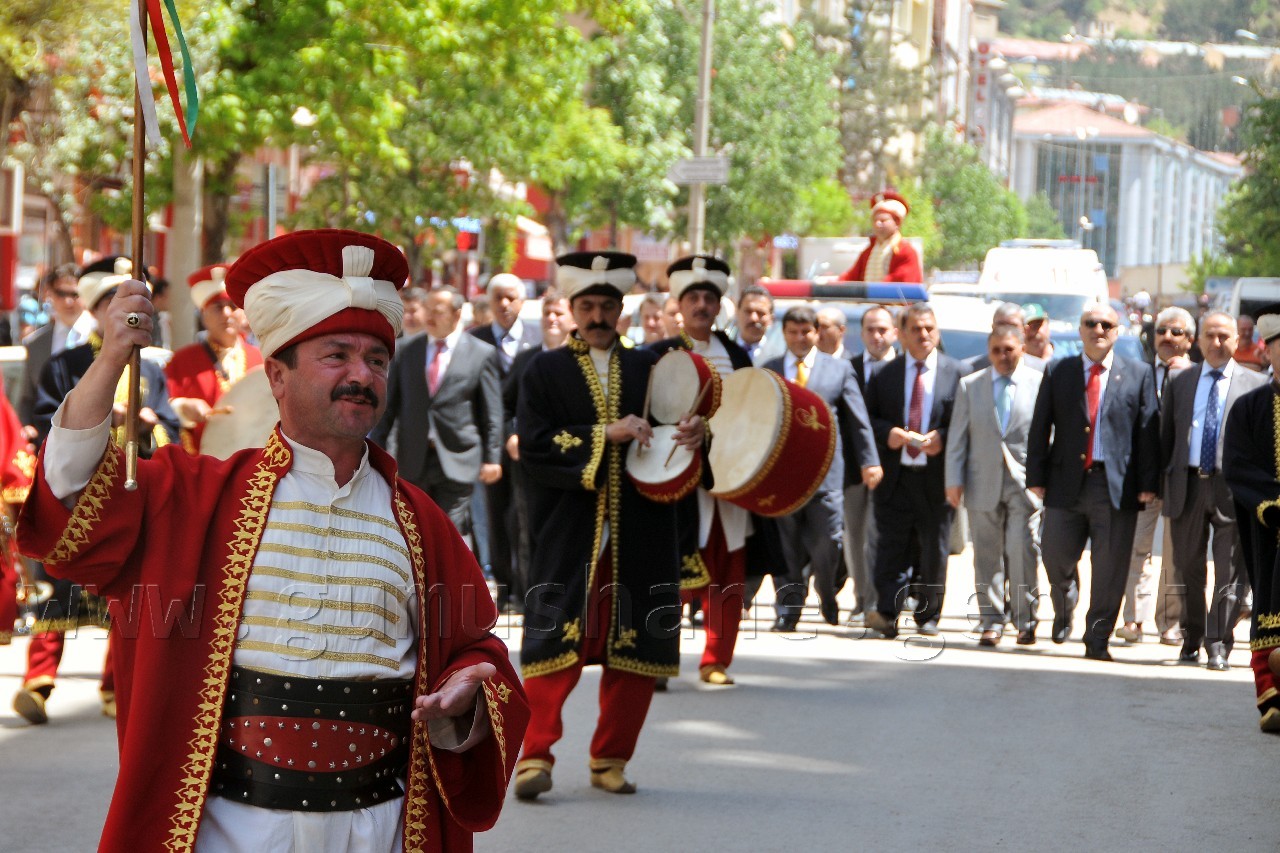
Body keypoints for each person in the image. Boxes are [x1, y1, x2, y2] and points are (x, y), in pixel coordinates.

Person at [16, 229, 528, 849]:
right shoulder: (194, 494)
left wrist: (469, 699)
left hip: (380, 826)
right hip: (235, 828)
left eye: (376, 360)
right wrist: (111, 358)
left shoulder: (421, 520)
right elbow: (67, 495)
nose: (360, 375)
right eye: (336, 355)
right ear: (277, 376)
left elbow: (479, 651)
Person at [514, 251, 701, 799]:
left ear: (622, 309)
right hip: (571, 530)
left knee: (638, 644)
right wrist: (604, 435)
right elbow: (535, 445)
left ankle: (610, 758)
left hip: (642, 528)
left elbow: (680, 432)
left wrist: (696, 438)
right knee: (554, 643)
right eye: (587, 306)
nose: (597, 315)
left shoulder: (651, 367)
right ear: (571, 308)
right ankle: (534, 757)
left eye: (607, 306)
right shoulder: (543, 370)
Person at [1026, 304, 1160, 661]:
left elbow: (1148, 431)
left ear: (1117, 331)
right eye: (1091, 323)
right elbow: (1041, 426)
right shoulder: (1060, 370)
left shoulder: (1139, 373)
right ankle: (1064, 604)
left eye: (1107, 324)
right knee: (1055, 555)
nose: (1098, 329)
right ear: (1080, 330)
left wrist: (1149, 482)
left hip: (1116, 486)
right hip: (1065, 483)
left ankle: (1097, 639)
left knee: (1110, 569)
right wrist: (1035, 477)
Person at [647, 255, 757, 683]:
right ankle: (658, 658)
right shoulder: (657, 354)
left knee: (727, 571)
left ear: (718, 304)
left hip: (728, 478)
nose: (700, 305)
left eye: (708, 297)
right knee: (668, 571)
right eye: (692, 297)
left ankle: (716, 659)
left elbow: (753, 413)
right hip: (673, 478)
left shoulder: (738, 355)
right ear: (680, 303)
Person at [763, 306, 881, 630]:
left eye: (806, 332)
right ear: (784, 334)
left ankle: (827, 591)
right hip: (783, 476)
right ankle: (788, 609)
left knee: (828, 541)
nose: (800, 338)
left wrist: (870, 460)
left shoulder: (839, 370)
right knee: (786, 546)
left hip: (826, 475)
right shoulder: (770, 370)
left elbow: (858, 422)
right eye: (793, 332)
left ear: (817, 332)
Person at [1160, 311, 1266, 670]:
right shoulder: (1181, 380)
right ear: (1198, 339)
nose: (1216, 343)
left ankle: (1218, 642)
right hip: (1187, 484)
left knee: (1231, 572)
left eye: (1224, 336)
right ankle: (1191, 635)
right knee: (1187, 566)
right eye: (1210, 336)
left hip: (1232, 491)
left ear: (1237, 341)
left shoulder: (1254, 385)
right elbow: (1166, 438)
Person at [371, 286, 503, 547]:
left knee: (446, 531)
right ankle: (419, 587)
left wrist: (492, 458)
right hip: (413, 458)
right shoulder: (406, 350)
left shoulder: (481, 353)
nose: (429, 316)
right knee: (414, 530)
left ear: (456, 314)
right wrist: (377, 451)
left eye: (438, 311)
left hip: (459, 457)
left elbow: (491, 411)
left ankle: (443, 587)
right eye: (427, 310)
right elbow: (388, 408)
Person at [863, 302, 963, 637]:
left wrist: (943, 438)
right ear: (902, 335)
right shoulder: (883, 374)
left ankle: (928, 615)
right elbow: (867, 420)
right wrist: (887, 434)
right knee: (891, 546)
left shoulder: (957, 373)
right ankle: (887, 613)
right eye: (916, 329)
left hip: (936, 478)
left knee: (934, 548)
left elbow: (965, 424)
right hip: (896, 475)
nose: (923, 335)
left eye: (929, 329)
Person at [945, 324, 1044, 646]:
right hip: (981, 481)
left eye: (1009, 350)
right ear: (989, 352)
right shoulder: (970, 385)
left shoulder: (1039, 384)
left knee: (1022, 548)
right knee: (986, 555)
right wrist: (953, 480)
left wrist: (1043, 481)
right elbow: (958, 438)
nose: (1003, 356)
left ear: (1022, 349)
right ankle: (991, 620)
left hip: (1024, 483)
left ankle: (1025, 618)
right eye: (997, 351)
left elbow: (1048, 437)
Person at [468, 273, 541, 612]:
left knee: (526, 515)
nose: (505, 305)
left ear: (523, 301)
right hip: (489, 445)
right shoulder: (475, 340)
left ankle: (529, 585)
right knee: (496, 516)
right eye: (498, 298)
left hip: (529, 442)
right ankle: (507, 586)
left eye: (512, 297)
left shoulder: (537, 340)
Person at [1222, 303, 1280, 732]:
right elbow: (1238, 465)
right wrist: (1272, 504)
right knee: (1268, 605)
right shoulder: (1249, 407)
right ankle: (1271, 697)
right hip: (1270, 529)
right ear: (1267, 350)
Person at [503, 293, 575, 606]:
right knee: (528, 526)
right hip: (530, 461)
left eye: (559, 312)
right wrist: (511, 435)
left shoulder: (582, 362)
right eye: (547, 312)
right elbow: (504, 406)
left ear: (572, 319)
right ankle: (531, 595)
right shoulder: (526, 360)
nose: (552, 319)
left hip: (572, 462)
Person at [1129, 307, 1194, 646]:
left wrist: (1187, 378)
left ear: (1189, 340)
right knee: (1136, 548)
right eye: (1162, 331)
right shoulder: (1137, 373)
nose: (1167, 338)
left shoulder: (1199, 378)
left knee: (1175, 555)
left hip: (1182, 478)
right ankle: (1133, 620)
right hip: (1143, 478)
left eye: (1176, 332)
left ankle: (1168, 622)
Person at [164, 264, 264, 454]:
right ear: (204, 315)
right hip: (200, 462)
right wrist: (182, 406)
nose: (226, 314)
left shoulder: (261, 358)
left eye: (232, 306)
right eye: (218, 307)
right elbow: (160, 405)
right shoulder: (183, 361)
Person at [844, 305, 898, 625]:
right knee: (855, 535)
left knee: (883, 536)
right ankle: (861, 598)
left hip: (893, 468)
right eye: (870, 330)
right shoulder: (847, 368)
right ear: (861, 333)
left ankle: (881, 599)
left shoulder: (905, 369)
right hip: (853, 468)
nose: (876, 336)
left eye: (882, 330)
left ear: (893, 332)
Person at [18, 264, 96, 432]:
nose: (68, 301)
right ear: (49, 294)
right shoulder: (35, 344)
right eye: (61, 293)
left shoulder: (102, 338)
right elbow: (27, 397)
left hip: (93, 436)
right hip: (47, 440)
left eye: (75, 294)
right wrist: (26, 428)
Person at [836, 191, 923, 284]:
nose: (877, 224)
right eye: (875, 220)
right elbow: (851, 277)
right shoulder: (868, 252)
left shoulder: (906, 252)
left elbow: (901, 283)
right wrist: (834, 283)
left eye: (883, 220)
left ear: (897, 222)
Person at [734, 284, 773, 364]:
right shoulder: (722, 351)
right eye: (748, 311)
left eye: (760, 313)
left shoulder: (779, 356)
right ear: (737, 313)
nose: (753, 318)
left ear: (771, 318)